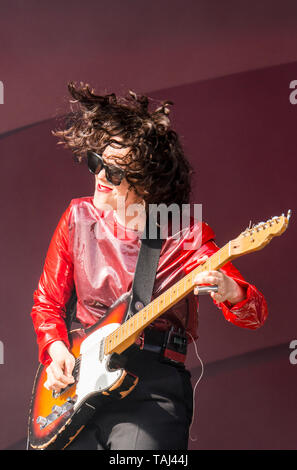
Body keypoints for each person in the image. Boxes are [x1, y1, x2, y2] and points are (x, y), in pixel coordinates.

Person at [30, 82, 268, 450]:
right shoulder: (77, 217)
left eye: (113, 172)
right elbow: (47, 303)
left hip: (151, 387)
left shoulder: (185, 234)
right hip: (79, 383)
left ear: (146, 181)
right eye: (97, 163)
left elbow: (254, 315)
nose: (98, 176)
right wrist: (57, 350)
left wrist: (227, 288)